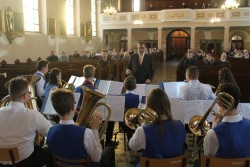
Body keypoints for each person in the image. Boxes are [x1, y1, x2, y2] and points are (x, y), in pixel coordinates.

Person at [0, 77, 53, 167]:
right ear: (25, 95)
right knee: (49, 151)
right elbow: (51, 133)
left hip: (1, 161)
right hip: (24, 162)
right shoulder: (33, 115)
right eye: (29, 92)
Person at [129, 88, 186, 167]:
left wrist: (142, 126)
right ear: (167, 104)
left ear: (149, 106)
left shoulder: (143, 130)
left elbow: (132, 147)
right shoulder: (181, 125)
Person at [47, 89, 102, 166]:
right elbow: (96, 158)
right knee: (108, 151)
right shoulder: (86, 132)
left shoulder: (50, 130)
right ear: (73, 107)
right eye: (75, 103)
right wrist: (95, 129)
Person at [203, 83, 250, 158]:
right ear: (238, 101)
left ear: (218, 103)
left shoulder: (213, 134)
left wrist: (213, 129)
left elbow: (209, 160)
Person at [119, 76, 142, 142]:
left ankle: (129, 140)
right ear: (135, 86)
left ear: (124, 86)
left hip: (124, 125)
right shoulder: (140, 97)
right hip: (137, 126)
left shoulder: (121, 97)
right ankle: (136, 141)